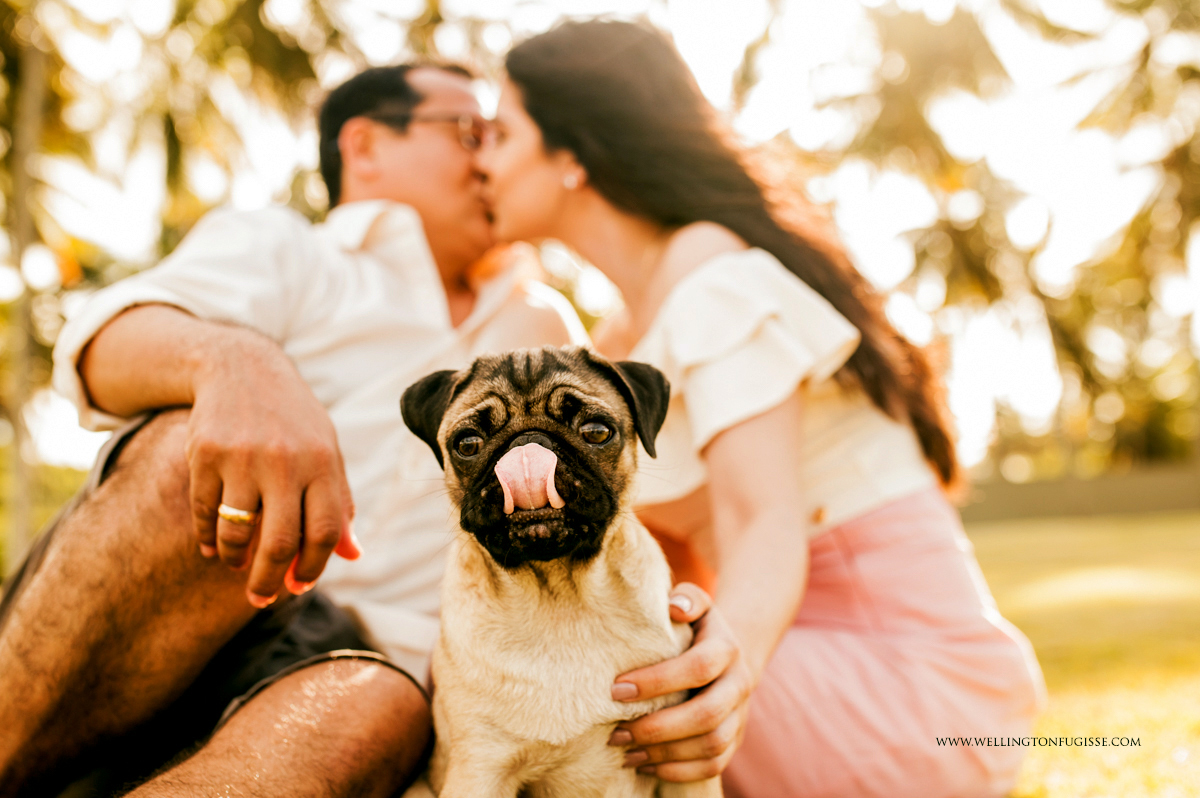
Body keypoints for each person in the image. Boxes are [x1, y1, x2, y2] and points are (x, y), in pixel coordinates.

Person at [475, 18, 1046, 798]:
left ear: (571, 155)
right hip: (799, 656)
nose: (483, 163)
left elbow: (762, 516)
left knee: (581, 685)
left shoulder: (710, 275)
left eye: (500, 135)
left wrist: (718, 672)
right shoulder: (621, 337)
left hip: (908, 679)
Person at [0, 62, 588, 797]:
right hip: (208, 582)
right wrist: (234, 361)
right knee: (184, 457)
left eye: (500, 138)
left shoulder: (544, 326)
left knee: (380, 702)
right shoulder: (294, 251)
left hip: (357, 668)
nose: (489, 158)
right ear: (366, 145)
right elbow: (102, 351)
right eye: (470, 131)